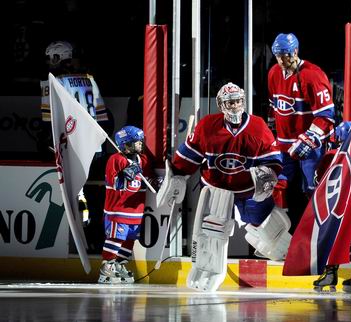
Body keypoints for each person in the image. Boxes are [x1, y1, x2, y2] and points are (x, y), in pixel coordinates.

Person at [159, 82, 286, 291]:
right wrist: (178, 176)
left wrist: (269, 175)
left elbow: (274, 161)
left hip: (248, 188)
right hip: (217, 189)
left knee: (264, 225)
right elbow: (188, 157)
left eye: (237, 101)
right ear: (221, 104)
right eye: (230, 102)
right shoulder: (207, 126)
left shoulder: (258, 126)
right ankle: (208, 270)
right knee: (212, 231)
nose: (235, 106)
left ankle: (282, 251)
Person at [39, 40, 112, 229]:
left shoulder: (52, 83)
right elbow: (105, 119)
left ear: (58, 59)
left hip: (71, 149)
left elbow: (49, 123)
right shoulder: (89, 79)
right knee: (93, 192)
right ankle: (96, 234)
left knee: (72, 194)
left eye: (50, 58)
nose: (48, 62)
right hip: (93, 147)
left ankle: (76, 233)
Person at [267, 33, 335, 227]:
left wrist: (309, 138)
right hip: (283, 145)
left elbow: (326, 115)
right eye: (278, 55)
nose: (281, 59)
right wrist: (271, 133)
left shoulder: (312, 75)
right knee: (277, 187)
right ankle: (283, 234)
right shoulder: (273, 73)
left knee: (313, 190)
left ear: (295, 51)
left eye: (285, 54)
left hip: (309, 145)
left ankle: (318, 235)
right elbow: (274, 107)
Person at [312, 121, 351, 292]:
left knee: (331, 239)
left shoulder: (330, 155)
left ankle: (330, 274)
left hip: (335, 207)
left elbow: (318, 182)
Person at [98, 126, 155, 284]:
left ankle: (119, 264)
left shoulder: (142, 160)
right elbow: (116, 184)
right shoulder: (116, 159)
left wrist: (157, 183)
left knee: (129, 239)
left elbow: (147, 181)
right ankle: (107, 266)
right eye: (137, 142)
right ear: (126, 144)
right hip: (118, 210)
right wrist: (129, 171)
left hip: (136, 211)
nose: (140, 144)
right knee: (116, 238)